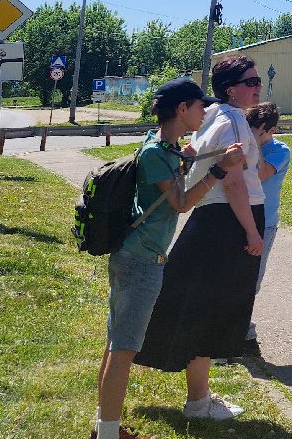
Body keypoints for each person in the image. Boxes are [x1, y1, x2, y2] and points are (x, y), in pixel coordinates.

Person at [93, 79, 244, 439]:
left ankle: (105, 426)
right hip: (141, 261)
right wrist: (218, 171)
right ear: (182, 109)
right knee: (124, 348)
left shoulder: (160, 144)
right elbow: (180, 203)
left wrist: (186, 157)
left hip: (133, 255)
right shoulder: (156, 153)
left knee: (117, 342)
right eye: (198, 106)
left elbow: (166, 165)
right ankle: (109, 433)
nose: (204, 111)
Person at [134, 57, 268, 421]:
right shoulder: (233, 121)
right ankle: (197, 402)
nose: (258, 86)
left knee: (200, 307)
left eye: (258, 81)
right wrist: (253, 231)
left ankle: (199, 396)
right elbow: (235, 181)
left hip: (212, 219)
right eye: (250, 81)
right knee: (213, 310)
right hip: (231, 221)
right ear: (230, 88)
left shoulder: (210, 118)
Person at [245, 100, 291, 347]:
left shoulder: (280, 151)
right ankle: (234, 330)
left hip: (265, 223)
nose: (251, 135)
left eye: (257, 131)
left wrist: (251, 143)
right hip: (237, 217)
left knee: (253, 280)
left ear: (271, 131)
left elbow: (260, 174)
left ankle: (245, 333)